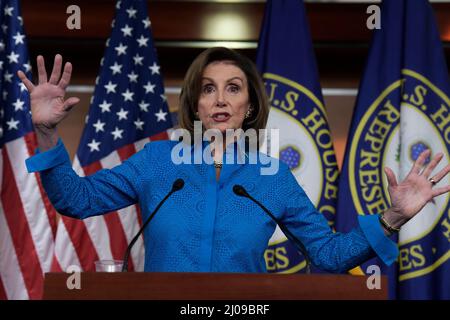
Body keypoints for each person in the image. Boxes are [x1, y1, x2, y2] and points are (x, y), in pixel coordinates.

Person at [18, 47, 450, 273]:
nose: (220, 99)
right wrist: (47, 132)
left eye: (233, 88)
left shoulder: (272, 177)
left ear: (250, 105)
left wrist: (393, 216)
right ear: (195, 104)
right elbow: (75, 199)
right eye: (208, 89)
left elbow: (329, 254)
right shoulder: (158, 162)